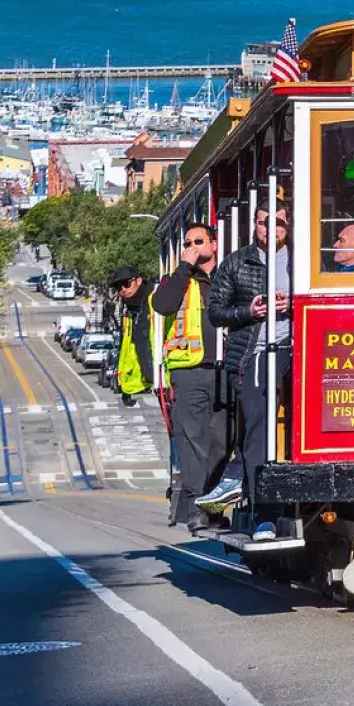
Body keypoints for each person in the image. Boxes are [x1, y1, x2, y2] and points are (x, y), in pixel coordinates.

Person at [197, 205, 291, 540]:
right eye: (265, 222)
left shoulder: (302, 260)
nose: (272, 228)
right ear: (255, 225)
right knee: (257, 430)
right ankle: (263, 514)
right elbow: (216, 312)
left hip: (297, 350)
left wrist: (291, 305)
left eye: (279, 222)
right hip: (255, 353)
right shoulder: (237, 262)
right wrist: (248, 311)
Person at [151, 223, 225, 532]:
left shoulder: (226, 276)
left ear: (215, 244)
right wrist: (183, 266)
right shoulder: (178, 280)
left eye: (199, 242)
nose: (194, 247)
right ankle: (197, 505)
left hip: (225, 369)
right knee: (195, 442)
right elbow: (162, 305)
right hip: (188, 371)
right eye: (189, 243)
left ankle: (216, 503)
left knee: (222, 440)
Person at [109, 265, 152, 409]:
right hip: (153, 380)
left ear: (139, 281)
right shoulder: (130, 313)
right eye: (118, 287)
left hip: (170, 378)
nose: (123, 290)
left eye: (126, 284)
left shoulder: (155, 300)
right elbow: (129, 352)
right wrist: (126, 388)